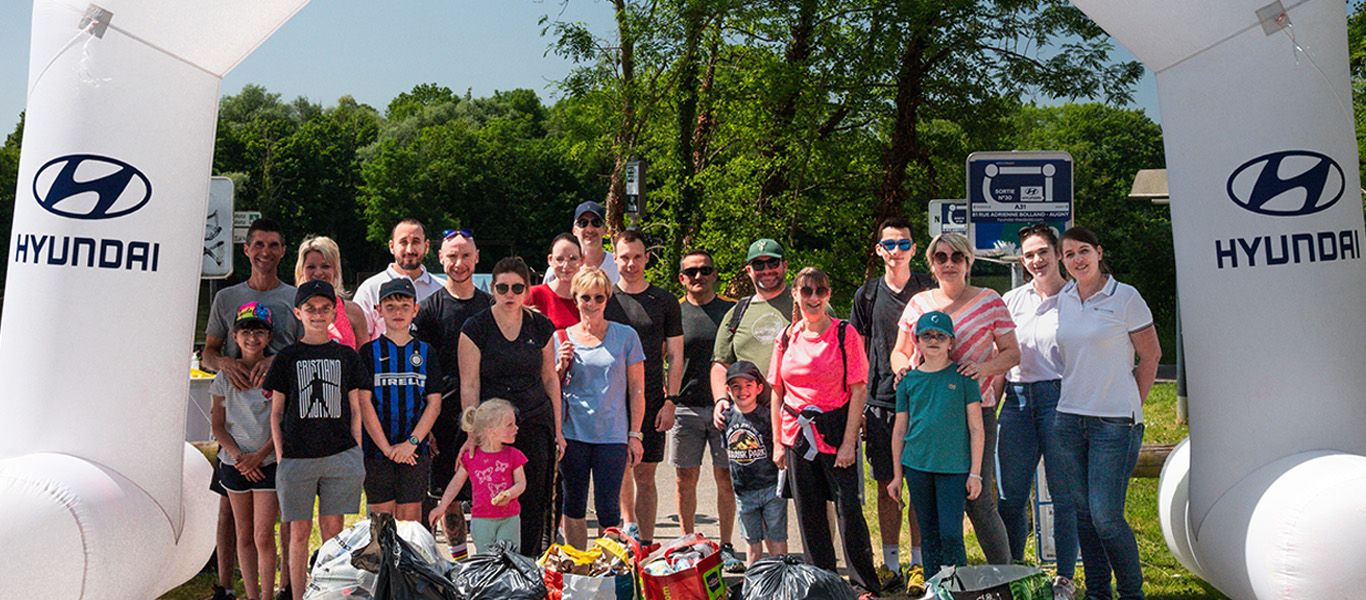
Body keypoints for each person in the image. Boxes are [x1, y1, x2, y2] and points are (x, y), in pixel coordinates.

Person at [889, 232, 1018, 565]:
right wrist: (903, 370)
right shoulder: (919, 303)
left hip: (976, 411)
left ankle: (1003, 574)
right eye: (941, 257)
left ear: (968, 262)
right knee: (928, 503)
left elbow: (1012, 353)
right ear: (931, 264)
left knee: (979, 501)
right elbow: (900, 352)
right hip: (928, 412)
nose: (949, 263)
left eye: (956, 257)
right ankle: (939, 579)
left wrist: (982, 367)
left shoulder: (990, 300)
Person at [1053, 227, 1161, 600]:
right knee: (1083, 515)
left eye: (1084, 251)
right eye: (1069, 255)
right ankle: (1097, 592)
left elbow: (1151, 356)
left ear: (1099, 252)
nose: (1077, 259)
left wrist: (1131, 403)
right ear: (1063, 262)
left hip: (1114, 423)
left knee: (1106, 517)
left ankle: (1131, 593)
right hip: (1068, 418)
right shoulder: (1064, 297)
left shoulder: (1126, 297)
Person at [202, 218, 301, 600]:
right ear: (246, 249)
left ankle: (284, 587)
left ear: (282, 250)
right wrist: (226, 364)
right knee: (230, 515)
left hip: (273, 420)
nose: (265, 252)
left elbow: (300, 350)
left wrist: (276, 363)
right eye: (258, 244)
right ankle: (227, 587)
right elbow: (210, 351)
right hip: (235, 421)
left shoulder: (293, 297)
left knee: (272, 523)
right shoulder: (227, 298)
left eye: (273, 245)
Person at [769, 267, 880, 597]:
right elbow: (777, 390)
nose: (813, 298)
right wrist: (778, 442)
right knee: (810, 513)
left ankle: (863, 586)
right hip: (796, 433)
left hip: (835, 427)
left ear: (829, 294)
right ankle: (822, 583)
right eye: (806, 291)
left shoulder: (845, 334)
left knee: (848, 511)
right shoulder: (787, 337)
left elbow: (859, 388)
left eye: (820, 291)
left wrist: (849, 442)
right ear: (796, 295)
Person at [265, 280, 368, 600]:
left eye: (325, 309)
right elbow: (276, 412)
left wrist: (357, 452)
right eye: (310, 309)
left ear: (335, 312)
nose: (318, 314)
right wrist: (281, 457)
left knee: (333, 532)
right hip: (297, 457)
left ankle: (328, 594)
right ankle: (297, 594)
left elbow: (356, 409)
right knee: (298, 532)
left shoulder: (347, 356)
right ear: (298, 313)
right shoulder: (287, 357)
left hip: (339, 454)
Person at [458, 256, 565, 556]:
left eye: (517, 288)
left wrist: (558, 429)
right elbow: (470, 385)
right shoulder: (475, 328)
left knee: (533, 498)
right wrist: (472, 434)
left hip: (534, 422)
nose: (509, 294)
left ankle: (529, 567)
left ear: (528, 291)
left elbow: (550, 379)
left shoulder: (541, 327)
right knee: (493, 500)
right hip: (492, 431)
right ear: (491, 289)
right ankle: (494, 567)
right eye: (502, 287)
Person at [848, 217, 935, 587]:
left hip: (926, 400)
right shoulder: (867, 295)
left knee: (919, 483)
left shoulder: (930, 291)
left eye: (904, 244)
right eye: (890, 245)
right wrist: (862, 405)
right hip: (881, 402)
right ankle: (891, 565)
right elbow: (857, 353)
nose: (896, 251)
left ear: (914, 249)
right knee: (887, 485)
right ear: (879, 250)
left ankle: (919, 563)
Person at [997, 224, 1078, 599]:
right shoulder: (1011, 300)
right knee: (1010, 497)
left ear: (1058, 253)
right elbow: (998, 355)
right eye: (1028, 254)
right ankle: (1013, 571)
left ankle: (1064, 578)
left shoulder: (1078, 297)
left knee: (1065, 497)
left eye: (1042, 252)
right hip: (1015, 402)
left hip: (1061, 400)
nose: (1036, 260)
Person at [413, 228, 491, 560]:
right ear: (441, 258)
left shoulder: (490, 306)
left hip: (487, 413)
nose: (459, 263)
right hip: (443, 416)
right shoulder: (428, 310)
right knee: (448, 495)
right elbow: (421, 372)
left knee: (489, 491)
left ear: (476, 258)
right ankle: (458, 563)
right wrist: (425, 424)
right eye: (452, 256)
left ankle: (489, 563)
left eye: (465, 255)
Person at [554, 267, 646, 549]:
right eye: (585, 298)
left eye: (598, 298)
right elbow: (551, 389)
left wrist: (635, 434)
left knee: (608, 510)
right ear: (575, 299)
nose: (591, 304)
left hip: (612, 435)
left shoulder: (626, 336)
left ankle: (605, 570)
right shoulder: (562, 338)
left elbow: (637, 389)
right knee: (574, 505)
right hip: (573, 434)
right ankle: (578, 566)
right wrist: (560, 366)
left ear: (607, 299)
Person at [887, 311, 985, 577]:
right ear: (916, 341)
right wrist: (897, 475)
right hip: (918, 466)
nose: (933, 340)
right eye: (927, 336)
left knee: (951, 533)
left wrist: (975, 473)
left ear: (951, 342)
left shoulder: (964, 377)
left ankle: (956, 587)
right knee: (927, 532)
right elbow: (899, 430)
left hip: (954, 468)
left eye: (940, 336)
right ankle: (934, 586)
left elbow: (977, 428)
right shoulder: (908, 381)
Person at [603, 229, 683, 548]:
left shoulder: (663, 301)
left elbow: (676, 355)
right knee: (620, 469)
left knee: (646, 474)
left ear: (647, 258)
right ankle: (629, 527)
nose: (631, 264)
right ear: (615, 258)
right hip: (612, 399)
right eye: (624, 257)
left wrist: (671, 401)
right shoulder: (605, 298)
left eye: (638, 257)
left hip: (651, 398)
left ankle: (647, 543)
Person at [672, 249, 742, 572]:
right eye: (691, 272)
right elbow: (663, 355)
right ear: (682, 278)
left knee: (726, 477)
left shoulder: (731, 310)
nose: (698, 276)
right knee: (685, 477)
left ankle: (726, 545)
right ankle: (687, 541)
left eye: (705, 270)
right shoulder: (675, 311)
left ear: (715, 274)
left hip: (725, 407)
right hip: (685, 406)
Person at [209, 302, 280, 600]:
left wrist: (260, 455)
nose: (253, 338)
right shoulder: (225, 378)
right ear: (235, 337)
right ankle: (250, 594)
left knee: (264, 535)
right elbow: (218, 425)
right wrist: (239, 458)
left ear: (268, 337)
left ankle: (267, 594)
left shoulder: (276, 374)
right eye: (246, 331)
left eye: (259, 331)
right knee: (244, 534)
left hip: (267, 461)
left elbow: (281, 421)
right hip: (235, 464)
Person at [358, 278, 444, 522]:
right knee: (380, 524)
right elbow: (364, 404)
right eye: (391, 306)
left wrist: (412, 442)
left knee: (410, 522)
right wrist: (387, 448)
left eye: (405, 306)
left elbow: (434, 404)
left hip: (414, 450)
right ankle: (383, 562)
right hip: (377, 450)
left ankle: (408, 563)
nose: (398, 312)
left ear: (415, 309)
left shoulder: (426, 352)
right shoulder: (368, 353)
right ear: (379, 310)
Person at [429, 399, 528, 553]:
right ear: (490, 430)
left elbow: (521, 483)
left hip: (510, 518)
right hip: (482, 519)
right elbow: (456, 483)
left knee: (510, 558)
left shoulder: (514, 455)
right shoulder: (470, 457)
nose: (516, 428)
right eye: (509, 425)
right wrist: (441, 507)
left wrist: (509, 494)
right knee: (485, 559)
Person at [720, 361, 787, 568]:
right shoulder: (725, 418)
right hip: (743, 492)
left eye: (748, 385)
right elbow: (729, 452)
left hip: (771, 489)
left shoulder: (768, 416)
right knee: (752, 544)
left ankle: (781, 581)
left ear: (759, 388)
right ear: (728, 391)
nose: (742, 391)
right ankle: (754, 585)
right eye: (736, 386)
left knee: (777, 541)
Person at [709, 239, 791, 405]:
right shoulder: (737, 312)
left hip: (796, 413)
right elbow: (721, 363)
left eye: (773, 263)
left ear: (785, 265)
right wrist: (721, 400)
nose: (766, 270)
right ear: (748, 270)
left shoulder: (807, 304)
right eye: (758, 265)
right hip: (750, 415)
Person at [354, 218, 444, 340]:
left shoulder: (441, 289)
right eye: (403, 242)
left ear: (426, 246)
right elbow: (359, 340)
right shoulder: (370, 289)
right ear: (392, 246)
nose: (409, 250)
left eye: (416, 242)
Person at [294, 235, 368, 349]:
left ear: (336, 270)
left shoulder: (353, 312)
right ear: (301, 270)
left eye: (325, 266)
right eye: (311, 267)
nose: (318, 273)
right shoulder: (293, 312)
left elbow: (365, 358)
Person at [544, 201, 620, 285]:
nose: (589, 229)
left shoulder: (618, 266)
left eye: (596, 223)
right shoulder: (558, 270)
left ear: (605, 230)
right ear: (574, 230)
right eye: (582, 223)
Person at [528, 233, 583, 330]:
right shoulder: (533, 295)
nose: (565, 266)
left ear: (582, 260)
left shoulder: (590, 298)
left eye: (573, 259)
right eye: (560, 259)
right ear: (550, 260)